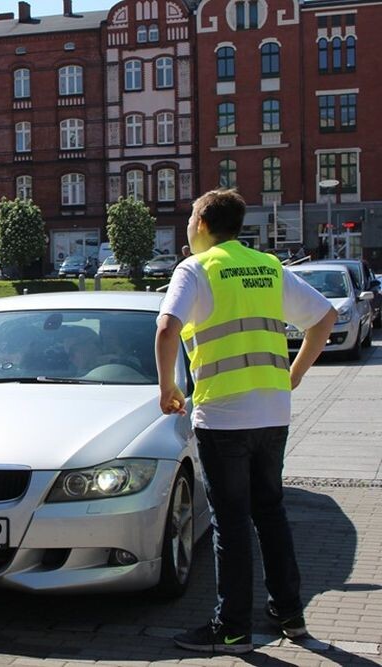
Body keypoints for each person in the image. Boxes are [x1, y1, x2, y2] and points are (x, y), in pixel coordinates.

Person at [155, 189, 337, 655]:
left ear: (203, 224)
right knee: (271, 513)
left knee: (231, 522)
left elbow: (166, 328)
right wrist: (292, 375)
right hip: (273, 412)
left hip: (223, 415)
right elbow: (325, 317)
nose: (188, 225)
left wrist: (167, 390)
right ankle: (289, 614)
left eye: (191, 216)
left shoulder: (196, 269)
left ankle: (231, 628)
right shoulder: (268, 267)